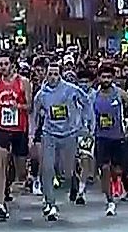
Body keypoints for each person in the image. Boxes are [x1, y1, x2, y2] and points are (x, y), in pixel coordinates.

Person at [29, 60, 92, 222]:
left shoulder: (71, 89)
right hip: (49, 134)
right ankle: (50, 203)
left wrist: (86, 123)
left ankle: (73, 180)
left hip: (69, 134)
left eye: (55, 74)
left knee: (66, 172)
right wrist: (31, 135)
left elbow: (86, 102)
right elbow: (34, 116)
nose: (52, 77)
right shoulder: (41, 95)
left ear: (60, 75)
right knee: (47, 168)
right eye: (50, 74)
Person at [0, 53, 33, 221]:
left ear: (12, 65)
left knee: (20, 170)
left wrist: (18, 106)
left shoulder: (23, 82)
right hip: (1, 128)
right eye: (0, 64)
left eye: (6, 64)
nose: (3, 67)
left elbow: (29, 106)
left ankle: (19, 178)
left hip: (19, 128)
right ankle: (1, 203)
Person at [92, 65, 128, 217]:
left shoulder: (119, 94)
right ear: (99, 78)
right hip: (101, 137)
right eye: (103, 77)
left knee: (117, 169)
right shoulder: (94, 95)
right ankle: (109, 200)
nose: (106, 80)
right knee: (104, 168)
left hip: (118, 137)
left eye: (109, 77)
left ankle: (124, 183)